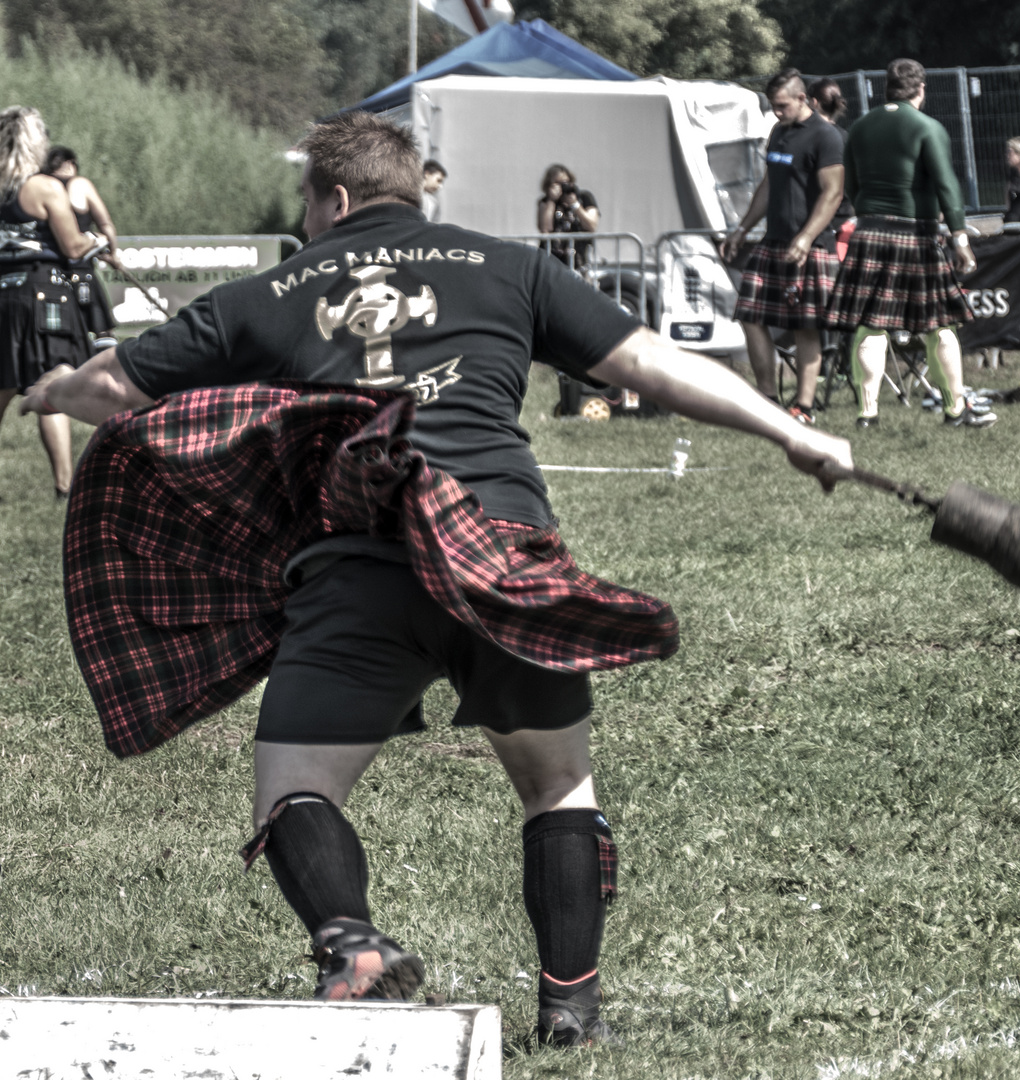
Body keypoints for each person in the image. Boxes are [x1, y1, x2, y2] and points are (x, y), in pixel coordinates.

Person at [21, 112, 852, 1047]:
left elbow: (109, 390)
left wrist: (47, 388)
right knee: (556, 787)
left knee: (296, 788)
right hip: (500, 554)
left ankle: (352, 946)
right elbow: (648, 362)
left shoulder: (266, 293)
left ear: (332, 199)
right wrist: (792, 430)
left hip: (360, 566)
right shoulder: (507, 265)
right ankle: (571, 1009)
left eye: (307, 205)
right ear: (415, 190)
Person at [825, 58, 996, 430]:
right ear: (921, 89)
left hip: (869, 232)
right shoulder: (927, 127)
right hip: (915, 235)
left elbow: (851, 186)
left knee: (870, 326)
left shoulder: (860, 127)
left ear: (887, 88)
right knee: (939, 326)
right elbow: (947, 185)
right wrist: (960, 237)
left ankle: (867, 415)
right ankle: (954, 410)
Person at [721, 69, 845, 425]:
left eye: (782, 106)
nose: (777, 112)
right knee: (749, 315)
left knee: (805, 326)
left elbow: (833, 193)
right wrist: (742, 229)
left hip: (811, 245)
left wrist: (806, 237)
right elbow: (769, 186)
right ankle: (767, 400)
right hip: (772, 242)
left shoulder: (826, 137)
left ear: (803, 99)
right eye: (773, 106)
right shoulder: (778, 133)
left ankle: (803, 407)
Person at [0, 107, 100, 499]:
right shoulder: (44, 187)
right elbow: (73, 244)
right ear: (34, 140)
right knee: (51, 384)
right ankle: (64, 485)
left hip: (2, 293)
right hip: (44, 293)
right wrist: (99, 244)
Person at [45, 145, 119, 342]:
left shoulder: (41, 188)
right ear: (70, 164)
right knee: (101, 334)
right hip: (82, 270)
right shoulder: (80, 184)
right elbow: (106, 225)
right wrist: (113, 255)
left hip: (51, 274)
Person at [808, 77, 857, 262]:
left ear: (813, 102)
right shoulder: (846, 136)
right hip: (844, 218)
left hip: (819, 223)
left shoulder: (809, 137)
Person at [537, 164, 599, 267]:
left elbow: (591, 225)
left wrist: (575, 205)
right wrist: (551, 201)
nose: (562, 187)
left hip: (580, 258)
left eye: (565, 183)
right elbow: (545, 228)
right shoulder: (546, 202)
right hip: (553, 259)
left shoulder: (584, 197)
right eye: (557, 183)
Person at [421, 159, 447, 223]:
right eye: (438, 180)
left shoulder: (434, 203)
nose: (440, 186)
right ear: (427, 174)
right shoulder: (407, 194)